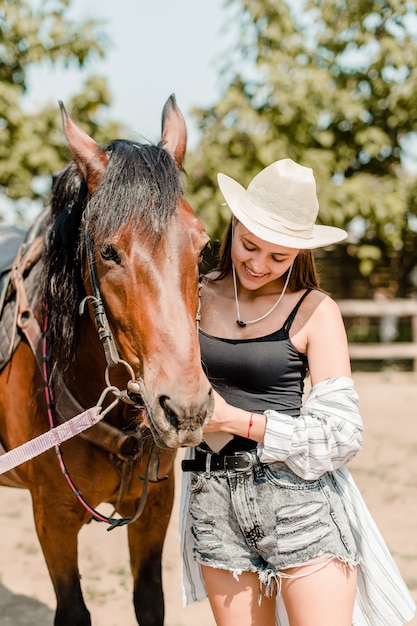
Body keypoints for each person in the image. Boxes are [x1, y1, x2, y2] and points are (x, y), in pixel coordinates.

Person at [179, 159, 416, 626]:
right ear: (236, 226)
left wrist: (236, 421)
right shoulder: (194, 296)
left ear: (299, 254)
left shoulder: (315, 311)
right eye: (249, 246)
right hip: (213, 501)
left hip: (298, 502)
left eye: (278, 257)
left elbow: (341, 433)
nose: (258, 264)